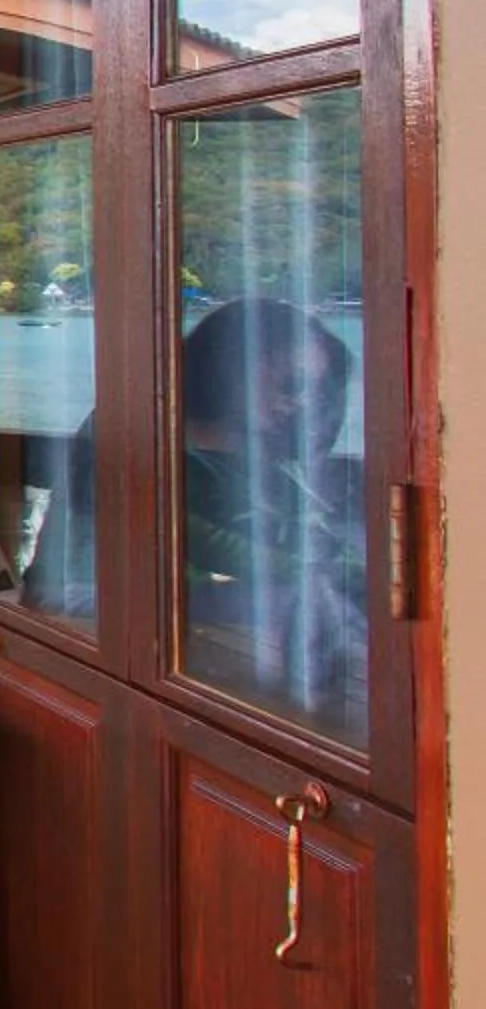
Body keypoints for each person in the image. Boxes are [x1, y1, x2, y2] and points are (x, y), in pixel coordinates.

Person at [177, 296, 362, 730]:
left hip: (195, 611)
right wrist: (323, 571)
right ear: (232, 366)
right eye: (293, 383)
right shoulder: (155, 435)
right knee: (300, 594)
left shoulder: (263, 454)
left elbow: (306, 531)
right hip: (98, 603)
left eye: (315, 390)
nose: (301, 402)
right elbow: (201, 540)